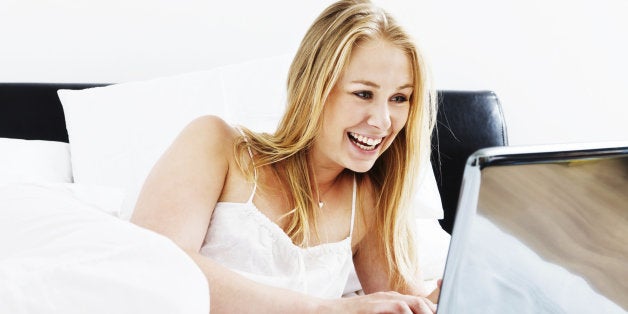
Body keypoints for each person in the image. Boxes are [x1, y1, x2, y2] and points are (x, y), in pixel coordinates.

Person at [131, 0, 439, 312]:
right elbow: (156, 264)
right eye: (363, 94)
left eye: (399, 98)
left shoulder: (369, 201)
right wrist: (327, 309)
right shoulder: (217, 145)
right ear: (313, 87)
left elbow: (413, 303)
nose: (383, 121)